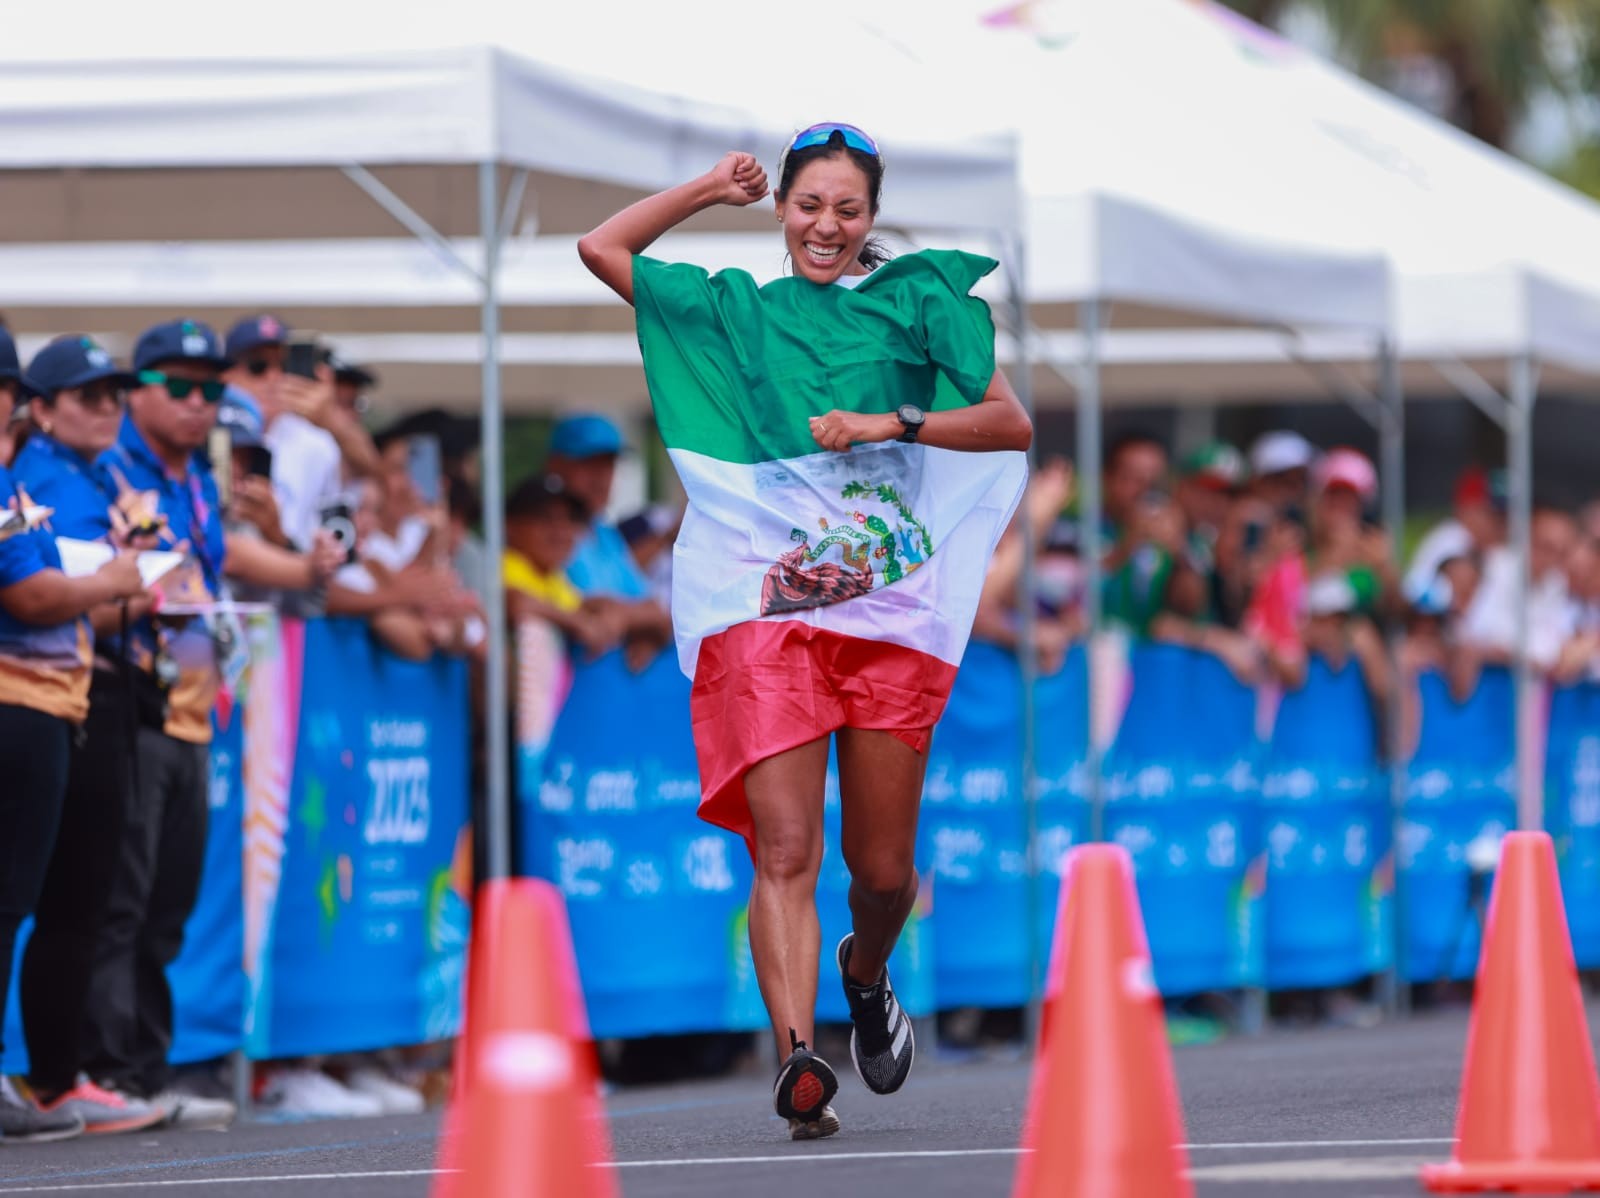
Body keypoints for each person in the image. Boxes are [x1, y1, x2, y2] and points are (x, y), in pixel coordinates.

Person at [578, 124, 1031, 1139]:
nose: (826, 225)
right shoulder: (733, 310)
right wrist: (704, 186)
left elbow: (1008, 425)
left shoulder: (917, 304)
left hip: (888, 613)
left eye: (848, 208)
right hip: (765, 608)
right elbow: (604, 250)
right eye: (807, 204)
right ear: (781, 208)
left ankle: (864, 975)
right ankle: (796, 1056)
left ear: (871, 218)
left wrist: (892, 424)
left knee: (880, 872)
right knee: (784, 846)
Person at [71, 320, 237, 1128]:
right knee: (122, 898)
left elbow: (210, 569)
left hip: (196, 711)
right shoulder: (108, 469)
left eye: (212, 389)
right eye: (179, 386)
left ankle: (145, 1068)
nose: (200, 403)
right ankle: (111, 1071)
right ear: (137, 391)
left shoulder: (200, 478)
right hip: (132, 704)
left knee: (170, 903)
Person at [11, 335, 178, 1135]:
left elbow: (118, 584)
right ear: (38, 407)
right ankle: (61, 1074)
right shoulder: (34, 479)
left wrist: (117, 580)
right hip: (47, 699)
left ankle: (59, 1077)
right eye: (88, 395)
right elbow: (51, 594)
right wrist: (115, 578)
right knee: (47, 900)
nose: (108, 408)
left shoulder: (60, 476)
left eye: (115, 393)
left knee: (81, 897)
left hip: (73, 700)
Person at [545, 413, 674, 665]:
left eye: (609, 464)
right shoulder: (545, 533)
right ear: (556, 465)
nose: (601, 477)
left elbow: (658, 612)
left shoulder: (604, 533)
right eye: (588, 463)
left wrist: (634, 623)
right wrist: (635, 619)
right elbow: (586, 607)